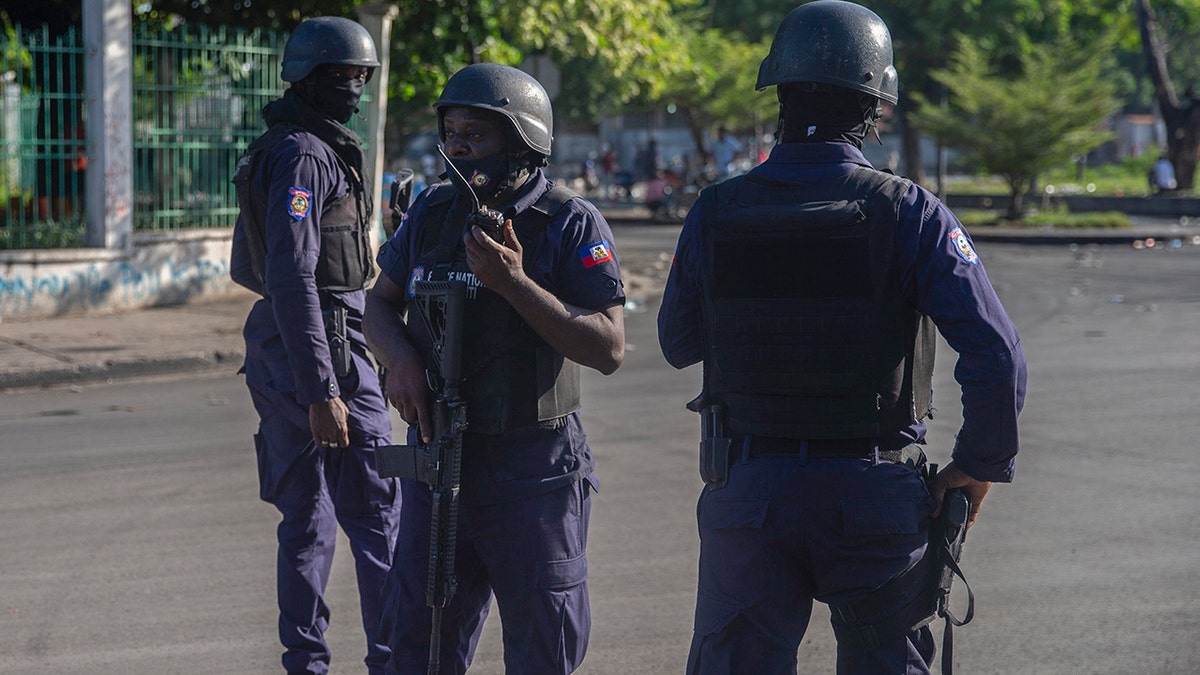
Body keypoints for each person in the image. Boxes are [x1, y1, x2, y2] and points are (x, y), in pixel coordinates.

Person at [657, 2, 1027, 673]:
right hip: (874, 494)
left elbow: (678, 342)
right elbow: (996, 355)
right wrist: (977, 462)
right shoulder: (909, 211)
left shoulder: (717, 209)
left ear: (780, 93)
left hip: (750, 490)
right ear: (876, 105)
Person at [363, 62, 625, 673]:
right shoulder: (432, 213)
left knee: (543, 647)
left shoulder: (568, 222)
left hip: (533, 474)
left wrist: (515, 285)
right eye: (451, 133)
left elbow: (609, 347)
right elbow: (379, 302)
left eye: (475, 135)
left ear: (522, 140)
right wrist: (397, 358)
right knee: (418, 648)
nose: (457, 148)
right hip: (440, 462)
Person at [229, 16, 401, 674]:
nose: (353, 87)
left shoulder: (294, 147)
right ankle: (392, 659)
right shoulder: (305, 154)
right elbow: (291, 274)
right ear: (305, 77)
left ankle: (309, 662)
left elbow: (266, 270)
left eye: (361, 75)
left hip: (291, 346)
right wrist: (325, 389)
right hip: (324, 349)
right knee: (376, 516)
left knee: (309, 518)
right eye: (341, 75)